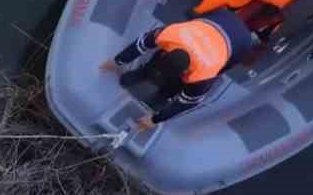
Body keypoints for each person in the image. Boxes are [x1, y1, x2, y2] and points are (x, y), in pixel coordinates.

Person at [101, 7, 255, 129]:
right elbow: (141, 44)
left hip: (240, 43)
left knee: (194, 79)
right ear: (169, 51)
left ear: (186, 72)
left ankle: (165, 94)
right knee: (157, 64)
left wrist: (155, 119)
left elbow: (187, 102)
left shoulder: (204, 76)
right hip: (221, 16)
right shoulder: (170, 34)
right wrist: (117, 61)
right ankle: (144, 72)